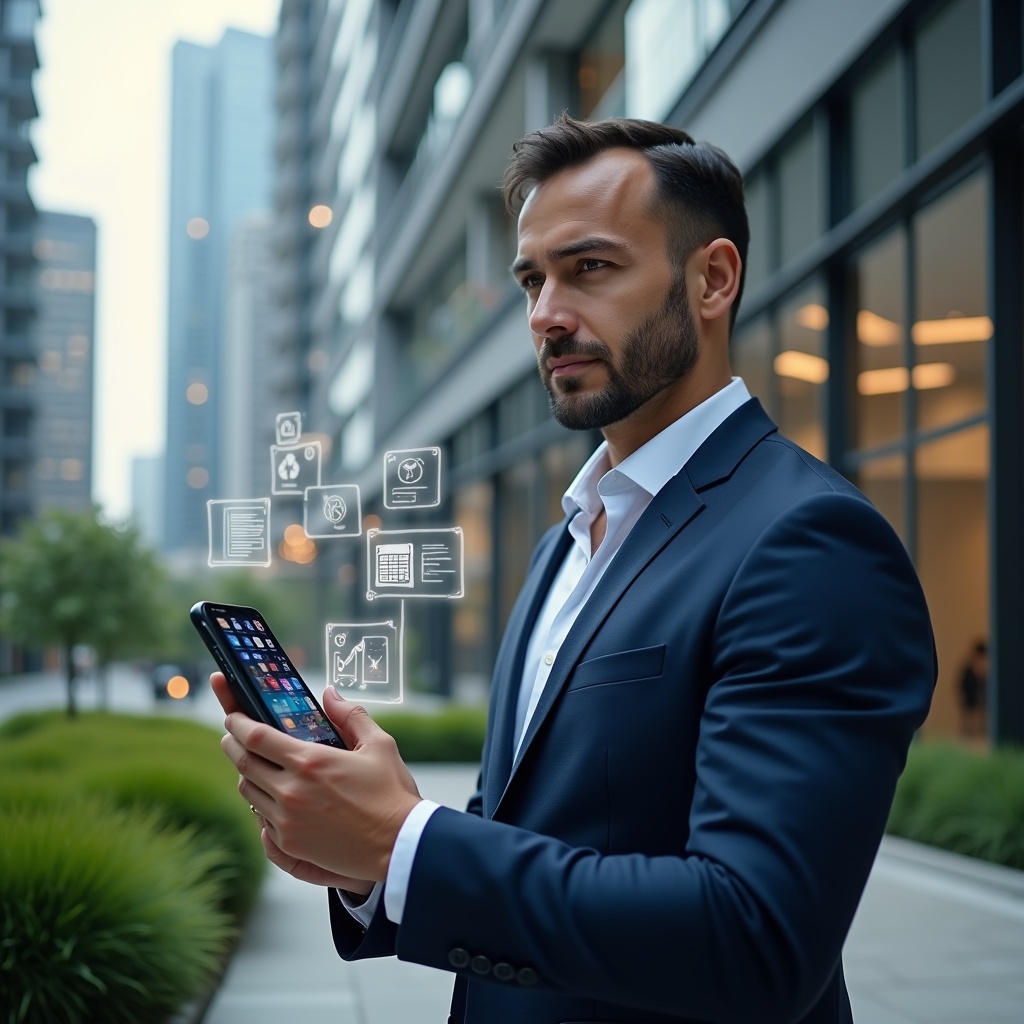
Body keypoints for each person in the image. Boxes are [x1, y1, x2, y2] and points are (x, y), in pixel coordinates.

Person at [213, 115, 936, 1024]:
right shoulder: (567, 540)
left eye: (590, 267)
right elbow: (530, 833)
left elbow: (758, 937)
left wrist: (408, 842)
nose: (546, 316)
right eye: (532, 280)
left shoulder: (812, 541)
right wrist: (365, 861)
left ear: (712, 279)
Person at [959, 639, 988, 738]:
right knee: (970, 716)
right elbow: (963, 684)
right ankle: (969, 732)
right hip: (970, 696)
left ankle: (982, 731)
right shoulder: (968, 669)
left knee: (982, 714)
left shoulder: (988, 669)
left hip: (982, 697)